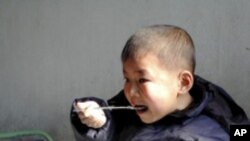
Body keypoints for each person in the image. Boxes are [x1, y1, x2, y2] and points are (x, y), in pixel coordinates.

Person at [70, 25, 249, 141]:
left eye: (142, 80)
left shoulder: (219, 114)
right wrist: (98, 124)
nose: (130, 91)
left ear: (183, 83)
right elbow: (108, 129)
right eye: (127, 79)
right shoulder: (126, 112)